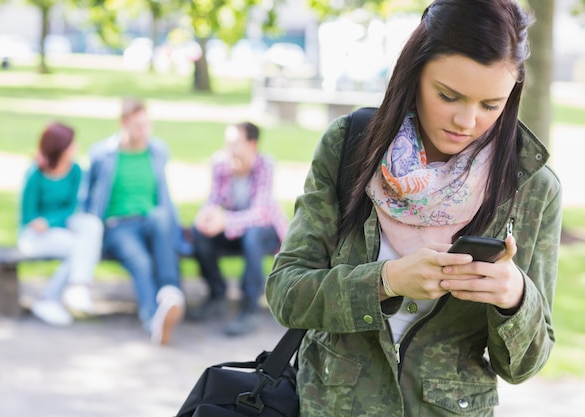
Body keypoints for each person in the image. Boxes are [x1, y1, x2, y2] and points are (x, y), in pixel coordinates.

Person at [265, 1, 562, 416]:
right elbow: (286, 294)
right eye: (448, 95)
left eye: (490, 105)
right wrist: (385, 282)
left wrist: (514, 297)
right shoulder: (349, 146)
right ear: (415, 72)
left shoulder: (531, 187)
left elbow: (524, 367)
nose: (466, 120)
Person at [80, 98, 189, 345]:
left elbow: (165, 197)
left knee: (162, 216)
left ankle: (170, 291)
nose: (144, 132)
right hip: (118, 226)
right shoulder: (103, 154)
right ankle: (154, 321)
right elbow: (85, 197)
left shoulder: (157, 151)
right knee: (140, 260)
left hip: (150, 222)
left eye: (147, 125)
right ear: (123, 123)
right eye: (138, 126)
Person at [190, 121, 289, 336]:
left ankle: (249, 306)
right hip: (235, 228)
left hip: (265, 230)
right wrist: (206, 216)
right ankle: (216, 294)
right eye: (227, 143)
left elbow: (261, 212)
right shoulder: (220, 163)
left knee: (252, 237)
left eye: (235, 143)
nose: (229, 148)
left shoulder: (265, 165)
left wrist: (225, 221)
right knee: (199, 231)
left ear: (252, 144)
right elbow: (214, 199)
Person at [18, 122, 103, 326]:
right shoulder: (35, 174)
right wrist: (39, 222)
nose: (75, 148)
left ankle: (78, 286)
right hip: (33, 236)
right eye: (70, 145)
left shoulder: (75, 170)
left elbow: (71, 208)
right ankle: (49, 297)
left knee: (92, 226)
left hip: (61, 226)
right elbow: (28, 215)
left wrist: (50, 221)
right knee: (80, 246)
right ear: (58, 147)